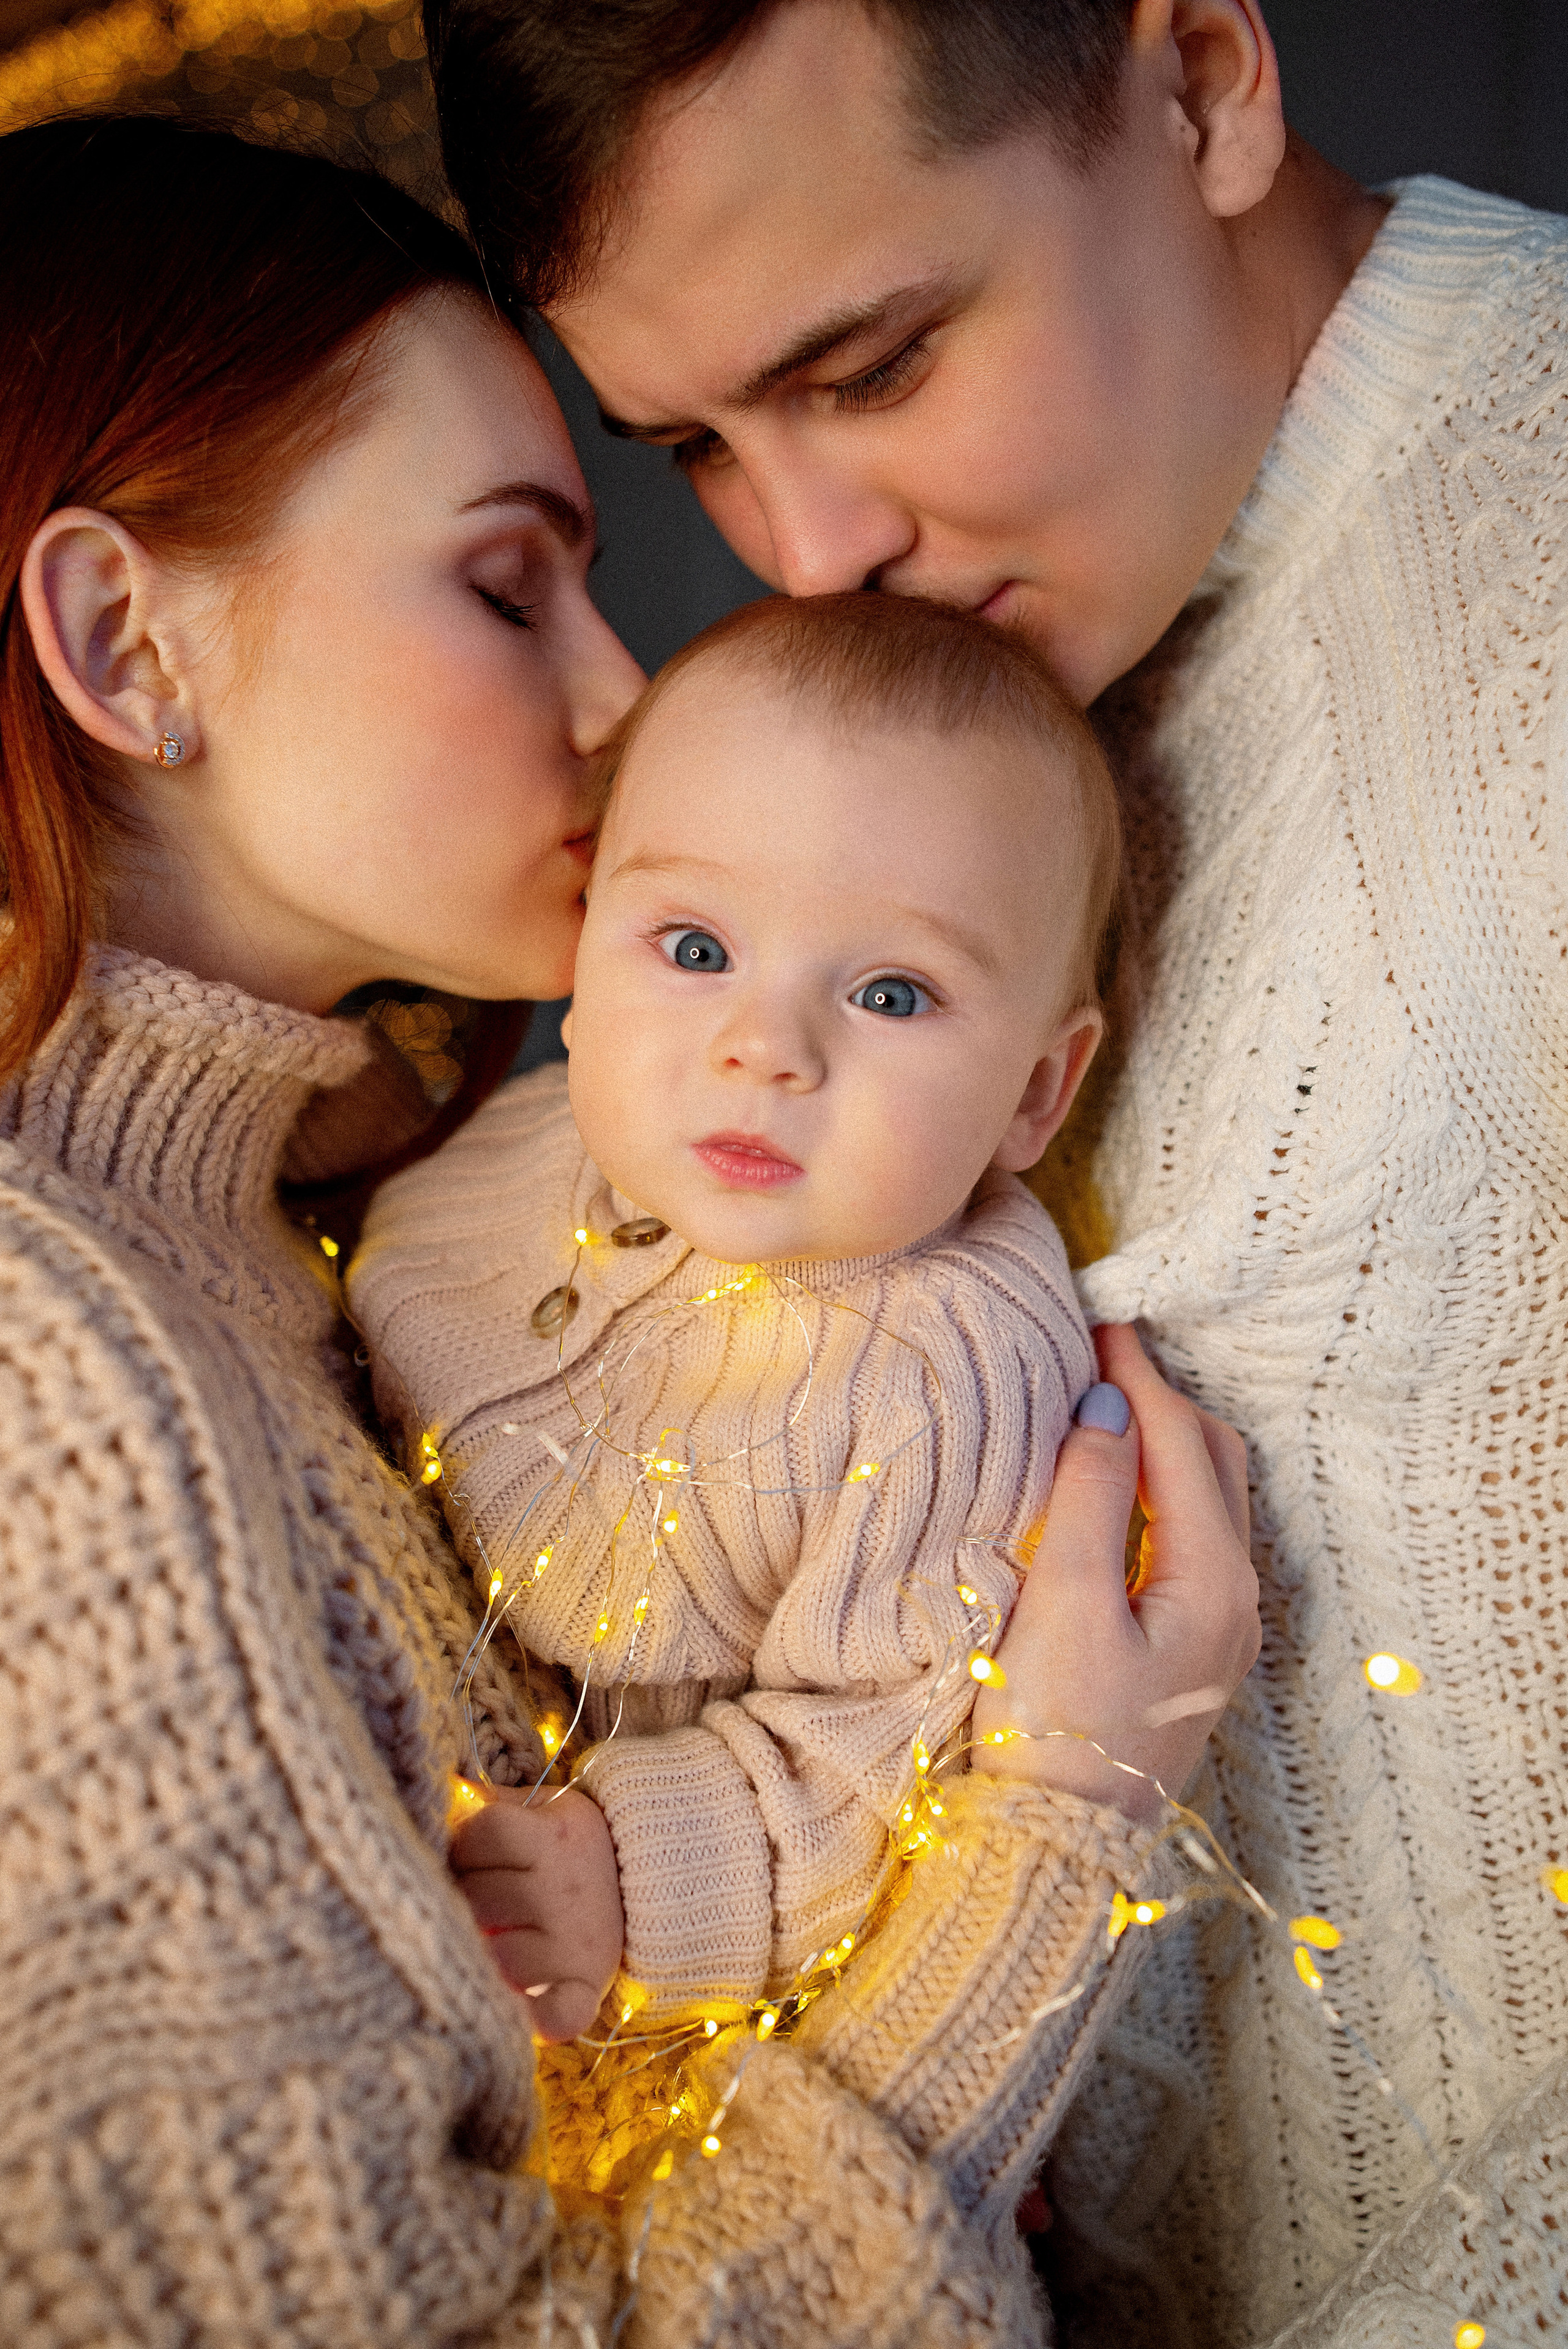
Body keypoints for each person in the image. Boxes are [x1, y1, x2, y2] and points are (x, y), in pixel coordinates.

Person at [0, 112, 1259, 2345]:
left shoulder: (322, 1223)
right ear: (122, 636)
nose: (621, 699)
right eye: (507, 582)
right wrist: (1060, 1822)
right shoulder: (50, 1374)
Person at [421, 0, 1568, 2342]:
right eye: (697, 445)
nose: (804, 545)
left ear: (1204, 78)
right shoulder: (967, 679)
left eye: (875, 363)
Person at [349, 591, 1120, 2052]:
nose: (763, 1047)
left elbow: (881, 1754)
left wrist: (624, 1881)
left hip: (644, 1985)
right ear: (584, 953)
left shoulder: (939, 1372)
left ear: (1035, 1091)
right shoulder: (498, 1158)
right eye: (693, 948)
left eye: (891, 991)